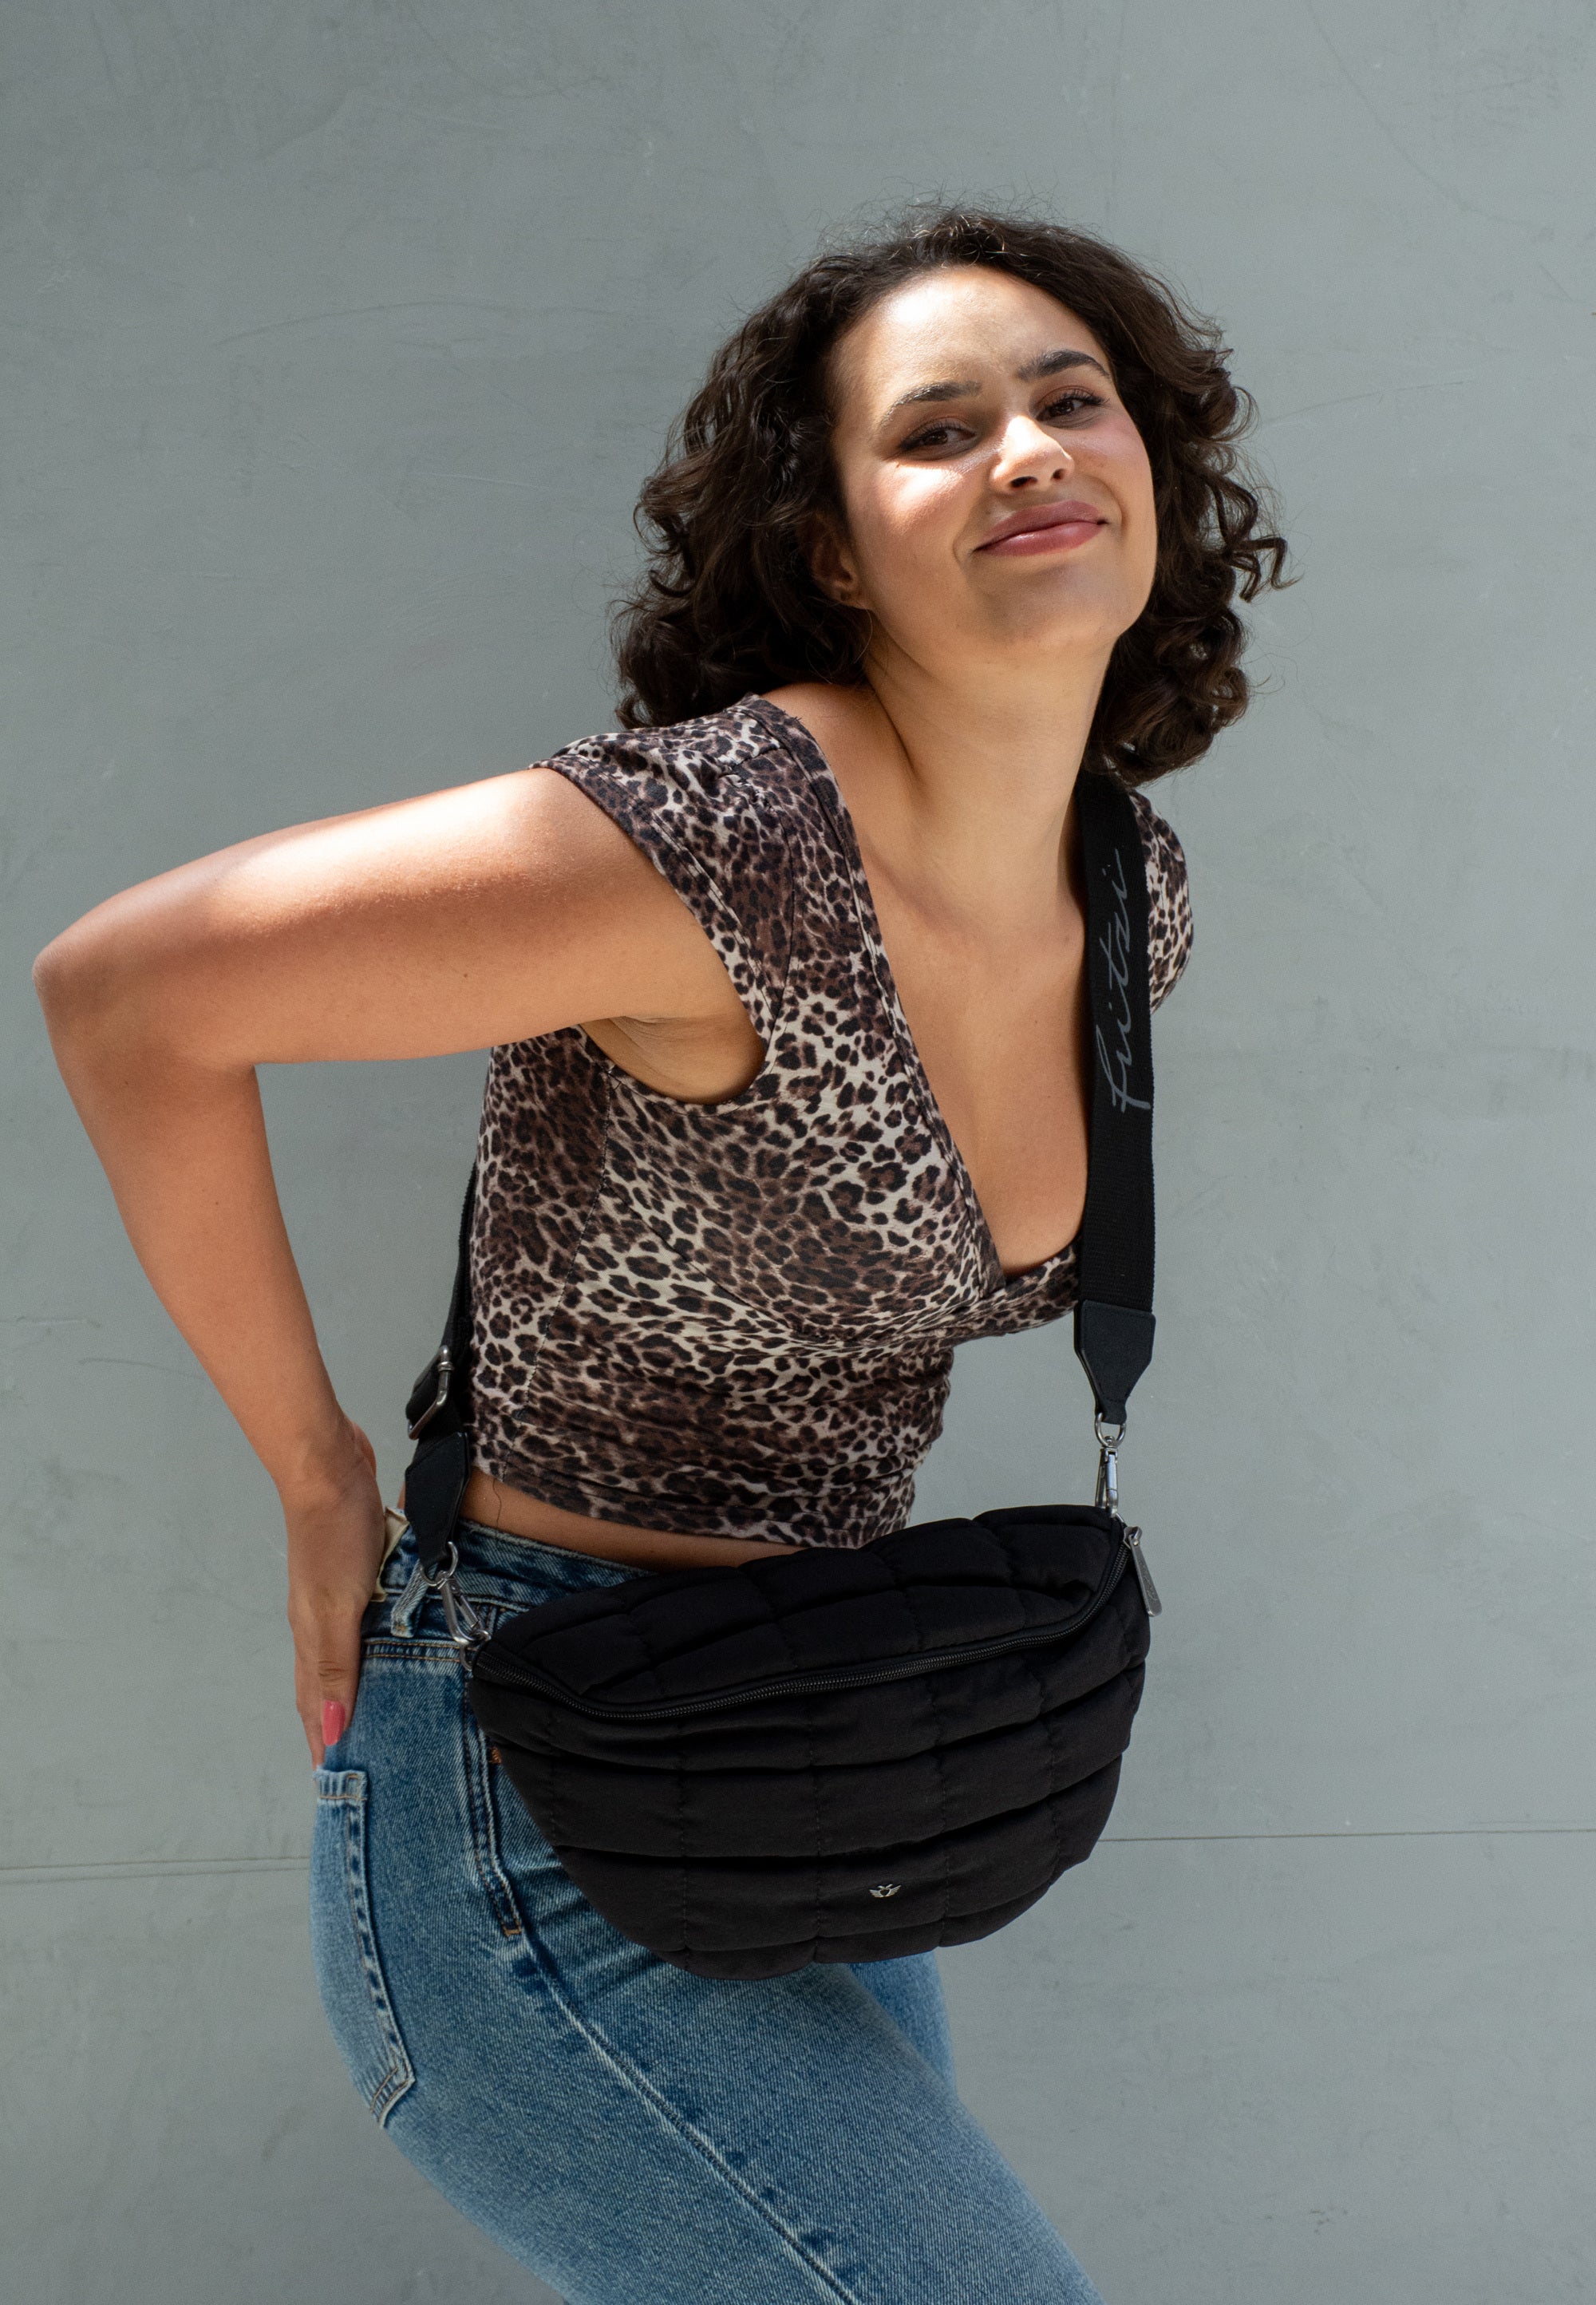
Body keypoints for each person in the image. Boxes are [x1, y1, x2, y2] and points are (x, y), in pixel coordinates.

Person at [34, 208, 1287, 2304]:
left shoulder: (1121, 886)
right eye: (938, 429)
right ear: (832, 550)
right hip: (539, 1793)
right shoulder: (717, 842)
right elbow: (129, 997)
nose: (1028, 450)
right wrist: (320, 1473)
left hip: (814, 1760)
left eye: (1073, 400)